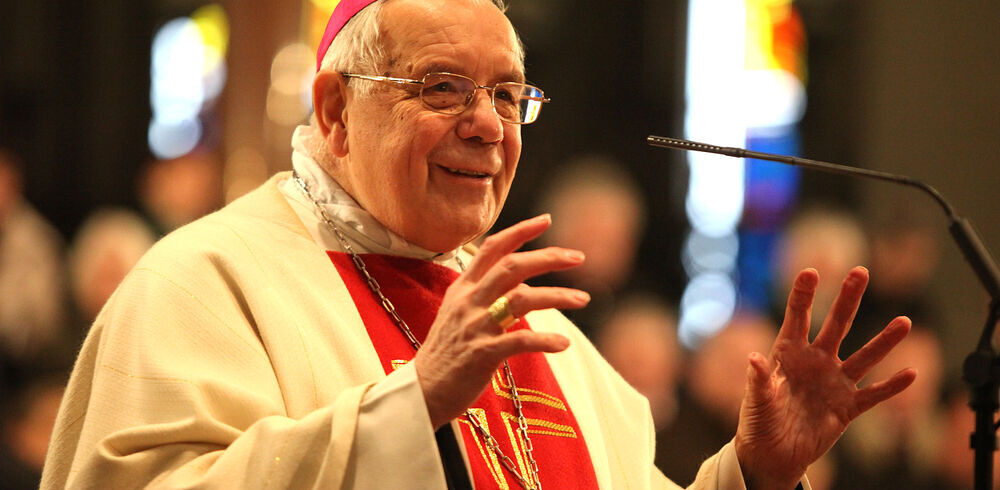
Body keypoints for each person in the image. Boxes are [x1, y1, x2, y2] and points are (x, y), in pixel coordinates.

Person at [41, 0, 916, 488]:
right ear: (338, 112)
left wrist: (752, 478)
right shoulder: (203, 285)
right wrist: (410, 403)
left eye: (508, 94)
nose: (488, 126)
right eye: (443, 88)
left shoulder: (549, 338)